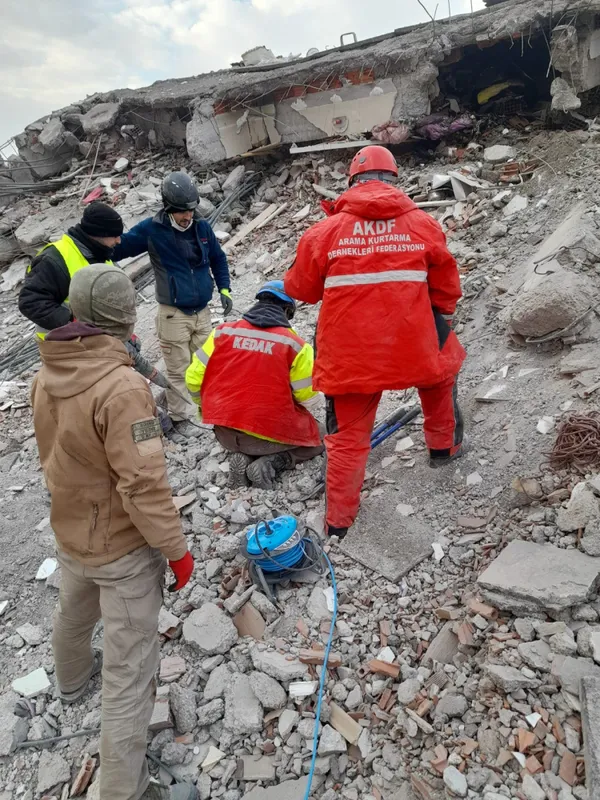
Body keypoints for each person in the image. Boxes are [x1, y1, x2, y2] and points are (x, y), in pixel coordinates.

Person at [31, 263, 197, 800]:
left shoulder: (46, 371)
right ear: (127, 320)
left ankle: (72, 681)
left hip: (72, 529)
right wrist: (176, 550)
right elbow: (144, 485)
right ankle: (125, 790)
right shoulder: (122, 388)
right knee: (129, 674)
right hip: (121, 549)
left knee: (74, 614)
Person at [284, 145, 466, 540]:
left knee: (347, 438)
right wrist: (441, 324)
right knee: (441, 374)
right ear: (395, 180)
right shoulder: (423, 224)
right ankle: (443, 451)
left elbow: (301, 289)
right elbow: (447, 288)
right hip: (412, 344)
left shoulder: (324, 232)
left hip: (351, 356)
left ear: (353, 182)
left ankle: (339, 523)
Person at [112, 171, 232, 437]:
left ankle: (209, 410)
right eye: (180, 211)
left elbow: (218, 258)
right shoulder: (152, 230)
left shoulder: (201, 228)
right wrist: (97, 239)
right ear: (168, 208)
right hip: (173, 314)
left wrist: (225, 288)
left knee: (206, 364)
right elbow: (118, 248)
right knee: (178, 369)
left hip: (202, 312)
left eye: (190, 210)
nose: (187, 216)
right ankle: (181, 418)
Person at [185, 281, 324, 489]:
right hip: (268, 435)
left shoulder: (221, 333)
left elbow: (193, 379)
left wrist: (207, 408)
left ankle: (243, 457)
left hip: (225, 434)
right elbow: (309, 399)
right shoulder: (295, 346)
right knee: (322, 435)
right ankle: (271, 463)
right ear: (287, 311)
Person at [19, 201, 123, 338]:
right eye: (115, 235)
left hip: (99, 339)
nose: (119, 241)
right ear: (99, 234)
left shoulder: (101, 253)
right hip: (68, 345)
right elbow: (30, 302)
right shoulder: (54, 259)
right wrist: (73, 323)